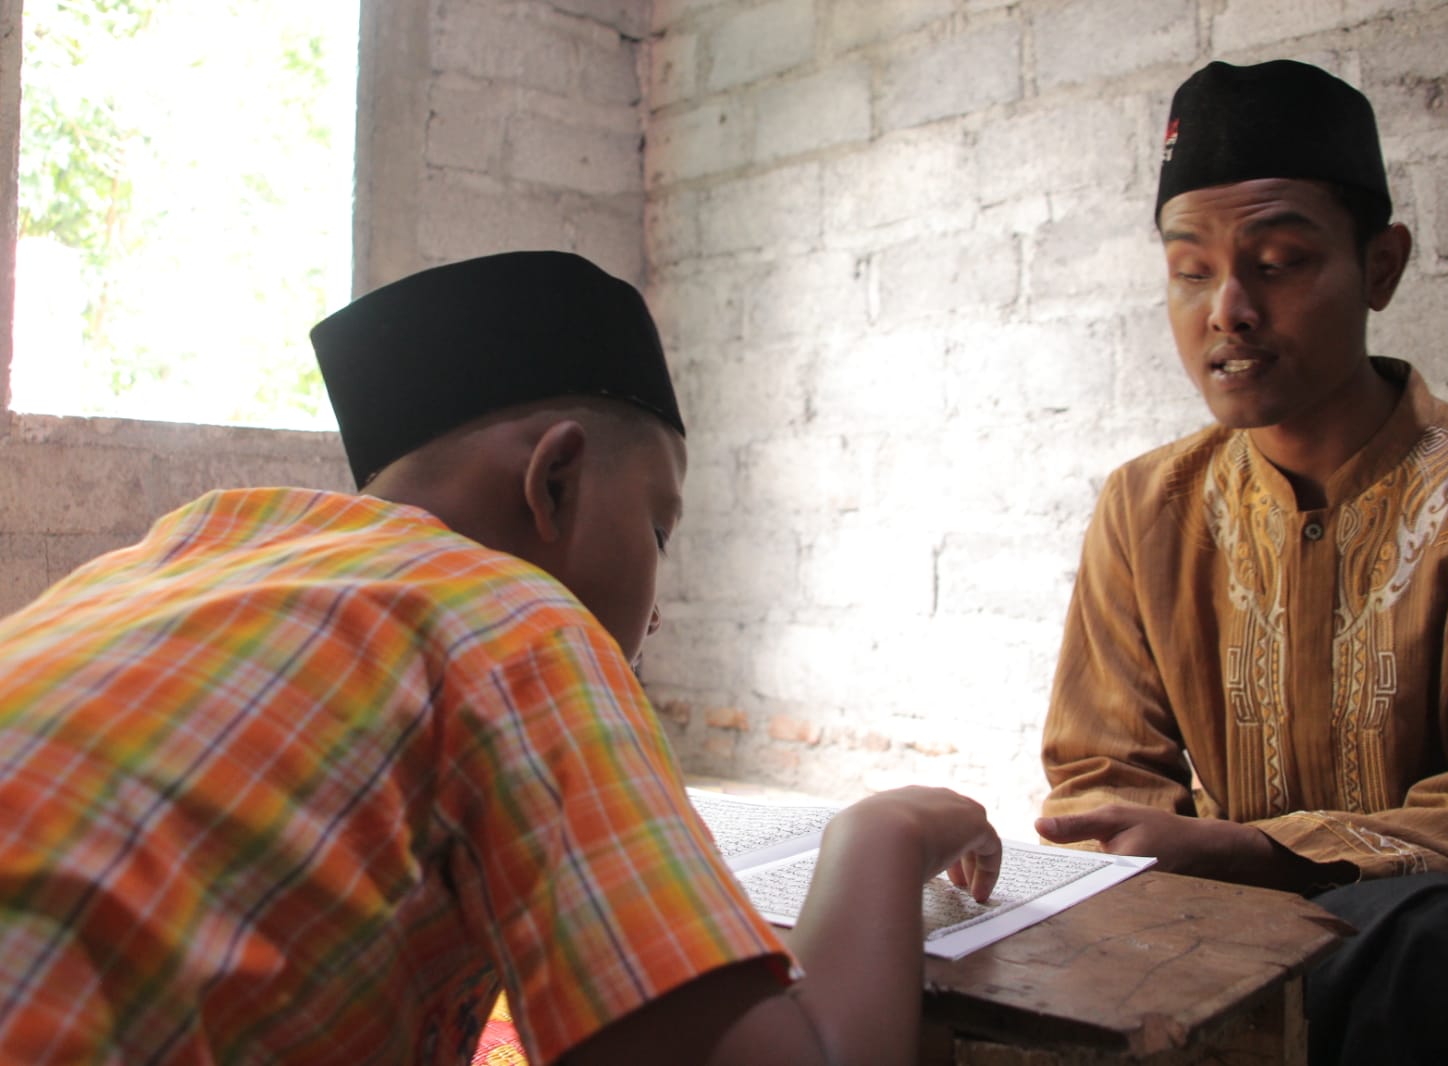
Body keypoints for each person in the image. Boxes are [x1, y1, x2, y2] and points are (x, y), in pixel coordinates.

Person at [0, 250, 1003, 1065]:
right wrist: (880, 830)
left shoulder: (185, 549)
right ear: (555, 479)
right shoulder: (518, 621)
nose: (654, 617)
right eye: (659, 528)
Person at [1036, 60, 1448, 1064]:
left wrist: (1257, 850)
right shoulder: (1145, 509)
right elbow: (1099, 777)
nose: (1228, 311)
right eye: (1191, 271)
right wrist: (1131, 849)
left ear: (1381, 266)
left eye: (1282, 261)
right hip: (1215, 935)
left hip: (1438, 961)